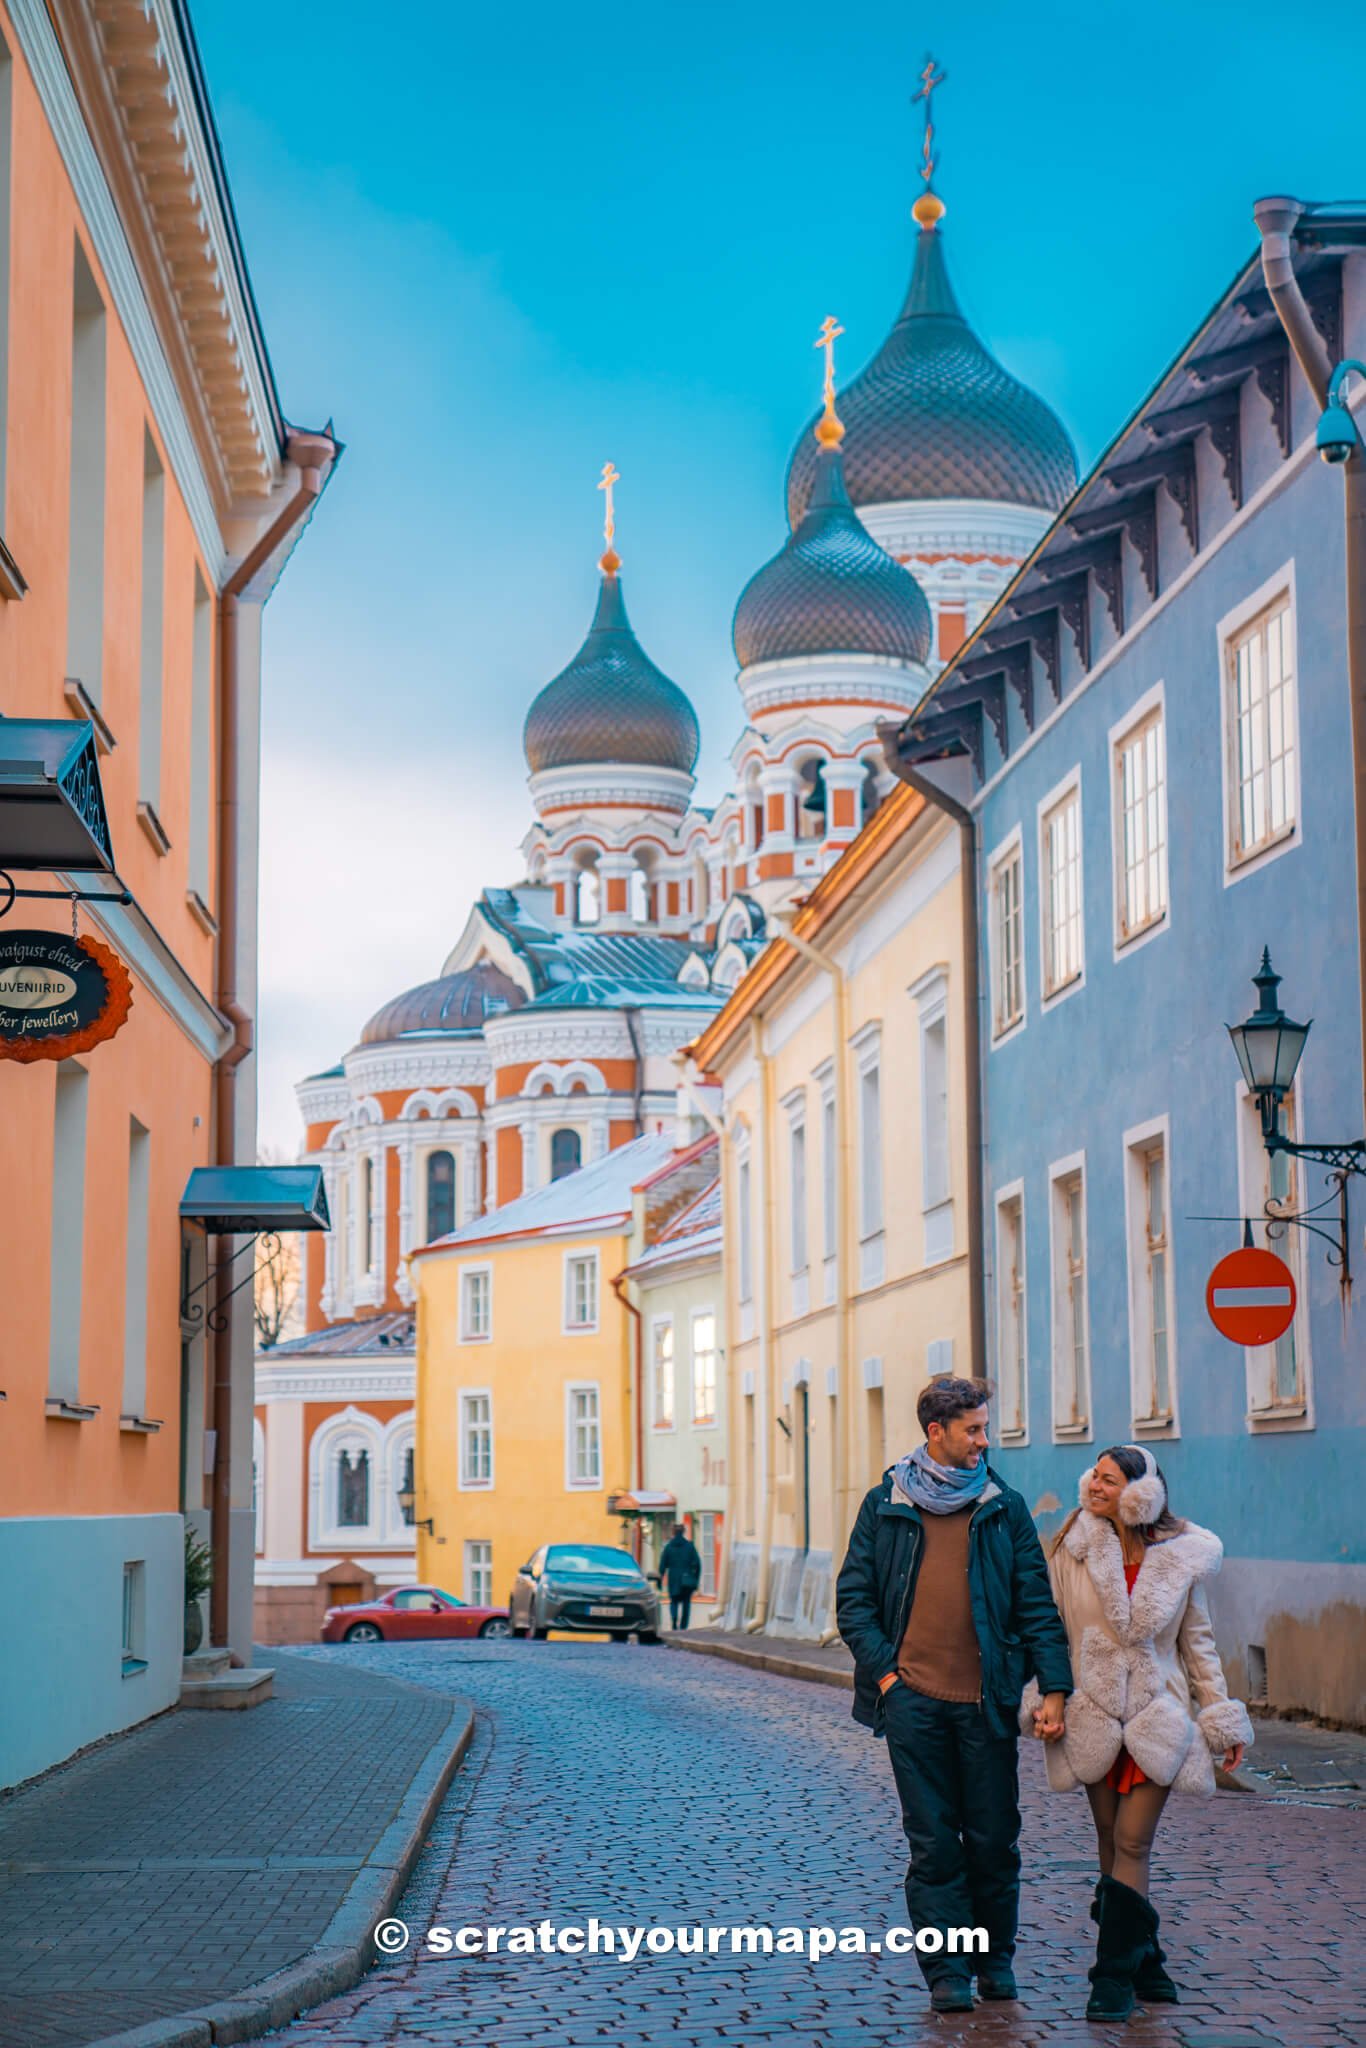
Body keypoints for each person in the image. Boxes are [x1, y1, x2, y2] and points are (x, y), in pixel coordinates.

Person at [836, 1377, 1073, 2014]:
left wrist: (1053, 1685)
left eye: (984, 1427)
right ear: (935, 1432)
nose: (983, 1441)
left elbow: (1036, 1605)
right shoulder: (885, 1504)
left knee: (994, 1839)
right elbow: (854, 1601)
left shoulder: (1004, 1506)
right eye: (973, 1429)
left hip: (987, 1704)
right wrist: (889, 1676)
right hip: (914, 1704)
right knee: (935, 1844)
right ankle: (947, 1973)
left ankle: (995, 1961)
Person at [1020, 1445, 1254, 2020]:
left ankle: (1111, 1977)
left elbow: (1197, 1644)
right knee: (1108, 1841)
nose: (1094, 1486)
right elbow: (1047, 1627)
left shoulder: (1181, 1556)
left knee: (1132, 1842)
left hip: (1159, 1716)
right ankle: (1145, 1955)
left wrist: (1220, 1718)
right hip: (1092, 1711)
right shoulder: (1072, 1545)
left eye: (1109, 1479)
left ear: (1141, 1493)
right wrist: (1045, 1697)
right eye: (1093, 1477)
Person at [659, 1522, 702, 1630]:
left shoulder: (668, 1547)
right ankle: (683, 1626)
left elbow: (662, 1565)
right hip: (687, 1579)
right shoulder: (689, 1546)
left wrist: (660, 1580)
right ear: (683, 1532)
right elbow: (697, 1564)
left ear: (673, 1532)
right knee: (686, 1603)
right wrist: (696, 1580)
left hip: (673, 1578)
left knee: (674, 1601)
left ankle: (674, 1620)